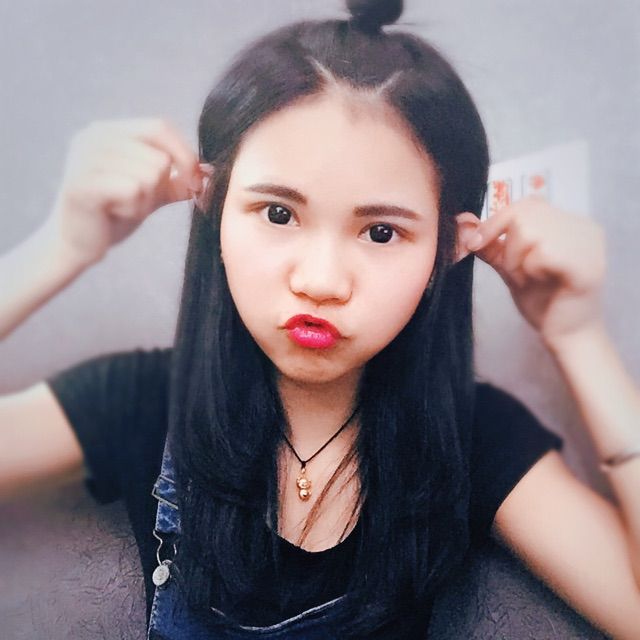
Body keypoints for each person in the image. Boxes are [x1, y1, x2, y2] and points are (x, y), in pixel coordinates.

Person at [1, 0, 639, 637]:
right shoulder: (142, 401)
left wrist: (577, 336)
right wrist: (59, 248)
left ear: (447, 248)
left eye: (381, 232)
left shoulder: (469, 435)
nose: (321, 282)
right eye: (279, 214)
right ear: (214, 206)